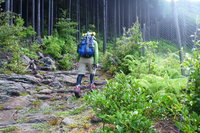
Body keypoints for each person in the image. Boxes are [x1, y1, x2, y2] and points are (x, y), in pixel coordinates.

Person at [74, 32, 99, 98]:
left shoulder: (82, 42)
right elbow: (96, 53)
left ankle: (77, 87)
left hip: (82, 59)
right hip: (91, 59)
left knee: (80, 73)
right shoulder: (94, 42)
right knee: (92, 72)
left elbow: (79, 52)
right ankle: (91, 86)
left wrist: (77, 61)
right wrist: (96, 62)